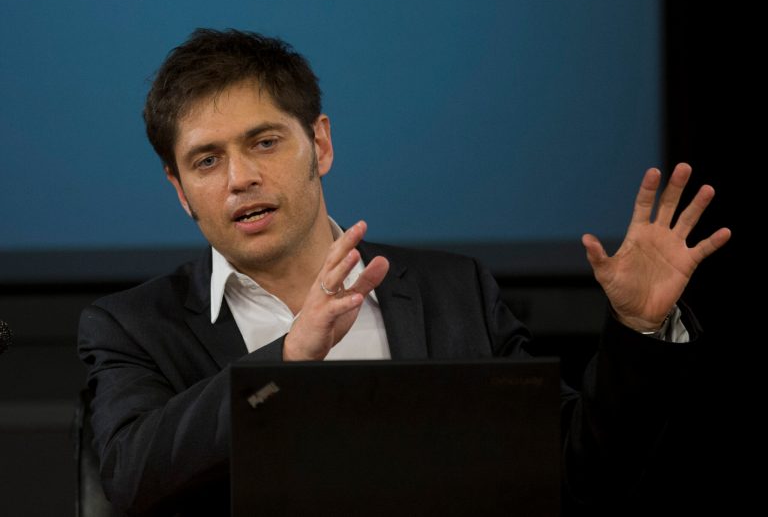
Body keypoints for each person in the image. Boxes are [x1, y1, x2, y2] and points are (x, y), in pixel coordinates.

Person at [78, 28, 730, 516]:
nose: (240, 177)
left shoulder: (454, 290)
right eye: (206, 161)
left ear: (320, 144)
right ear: (180, 190)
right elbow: (133, 478)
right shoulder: (134, 327)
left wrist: (638, 329)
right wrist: (287, 359)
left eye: (265, 142)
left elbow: (573, 474)